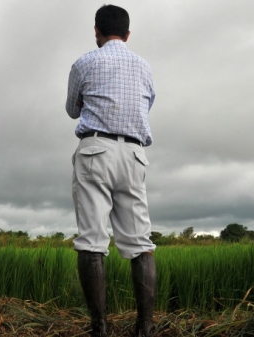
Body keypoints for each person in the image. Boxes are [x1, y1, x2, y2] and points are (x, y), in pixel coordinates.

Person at [65, 5, 157, 337]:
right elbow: (146, 105)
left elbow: (72, 109)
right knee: (139, 242)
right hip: (134, 153)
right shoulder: (144, 67)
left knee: (91, 240)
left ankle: (99, 328)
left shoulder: (84, 62)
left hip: (95, 149)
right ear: (127, 34)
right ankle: (144, 328)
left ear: (96, 31)